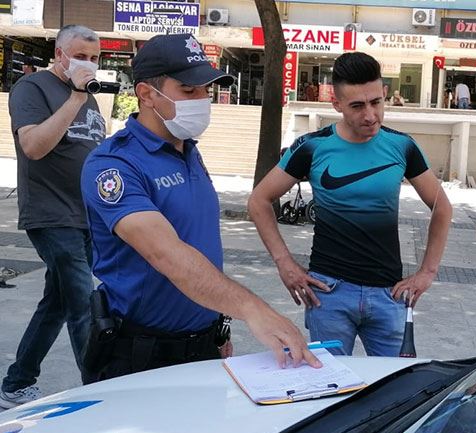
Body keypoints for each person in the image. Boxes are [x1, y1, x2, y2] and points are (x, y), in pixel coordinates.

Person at [79, 33, 320, 382]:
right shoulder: (113, 166)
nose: (203, 101)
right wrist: (253, 309)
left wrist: (217, 326)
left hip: (203, 344)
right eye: (189, 91)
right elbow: (169, 256)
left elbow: (201, 244)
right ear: (146, 94)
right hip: (138, 354)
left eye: (206, 90)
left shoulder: (188, 151)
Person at [249, 52, 452, 357]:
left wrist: (427, 272)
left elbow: (442, 207)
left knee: (393, 389)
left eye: (376, 102)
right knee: (329, 388)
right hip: (328, 294)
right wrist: (285, 264)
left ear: (384, 95)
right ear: (337, 104)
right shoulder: (312, 146)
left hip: (388, 294)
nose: (370, 115)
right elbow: (259, 201)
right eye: (357, 106)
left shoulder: (402, 146)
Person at [1, 25, 105, 409]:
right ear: (60, 54)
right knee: (82, 300)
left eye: (95, 58)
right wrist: (76, 98)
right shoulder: (33, 89)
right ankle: (97, 387)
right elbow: (33, 146)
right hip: (50, 212)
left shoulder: (88, 97)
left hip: (86, 215)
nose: (88, 64)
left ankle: (17, 383)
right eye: (80, 56)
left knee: (58, 303)